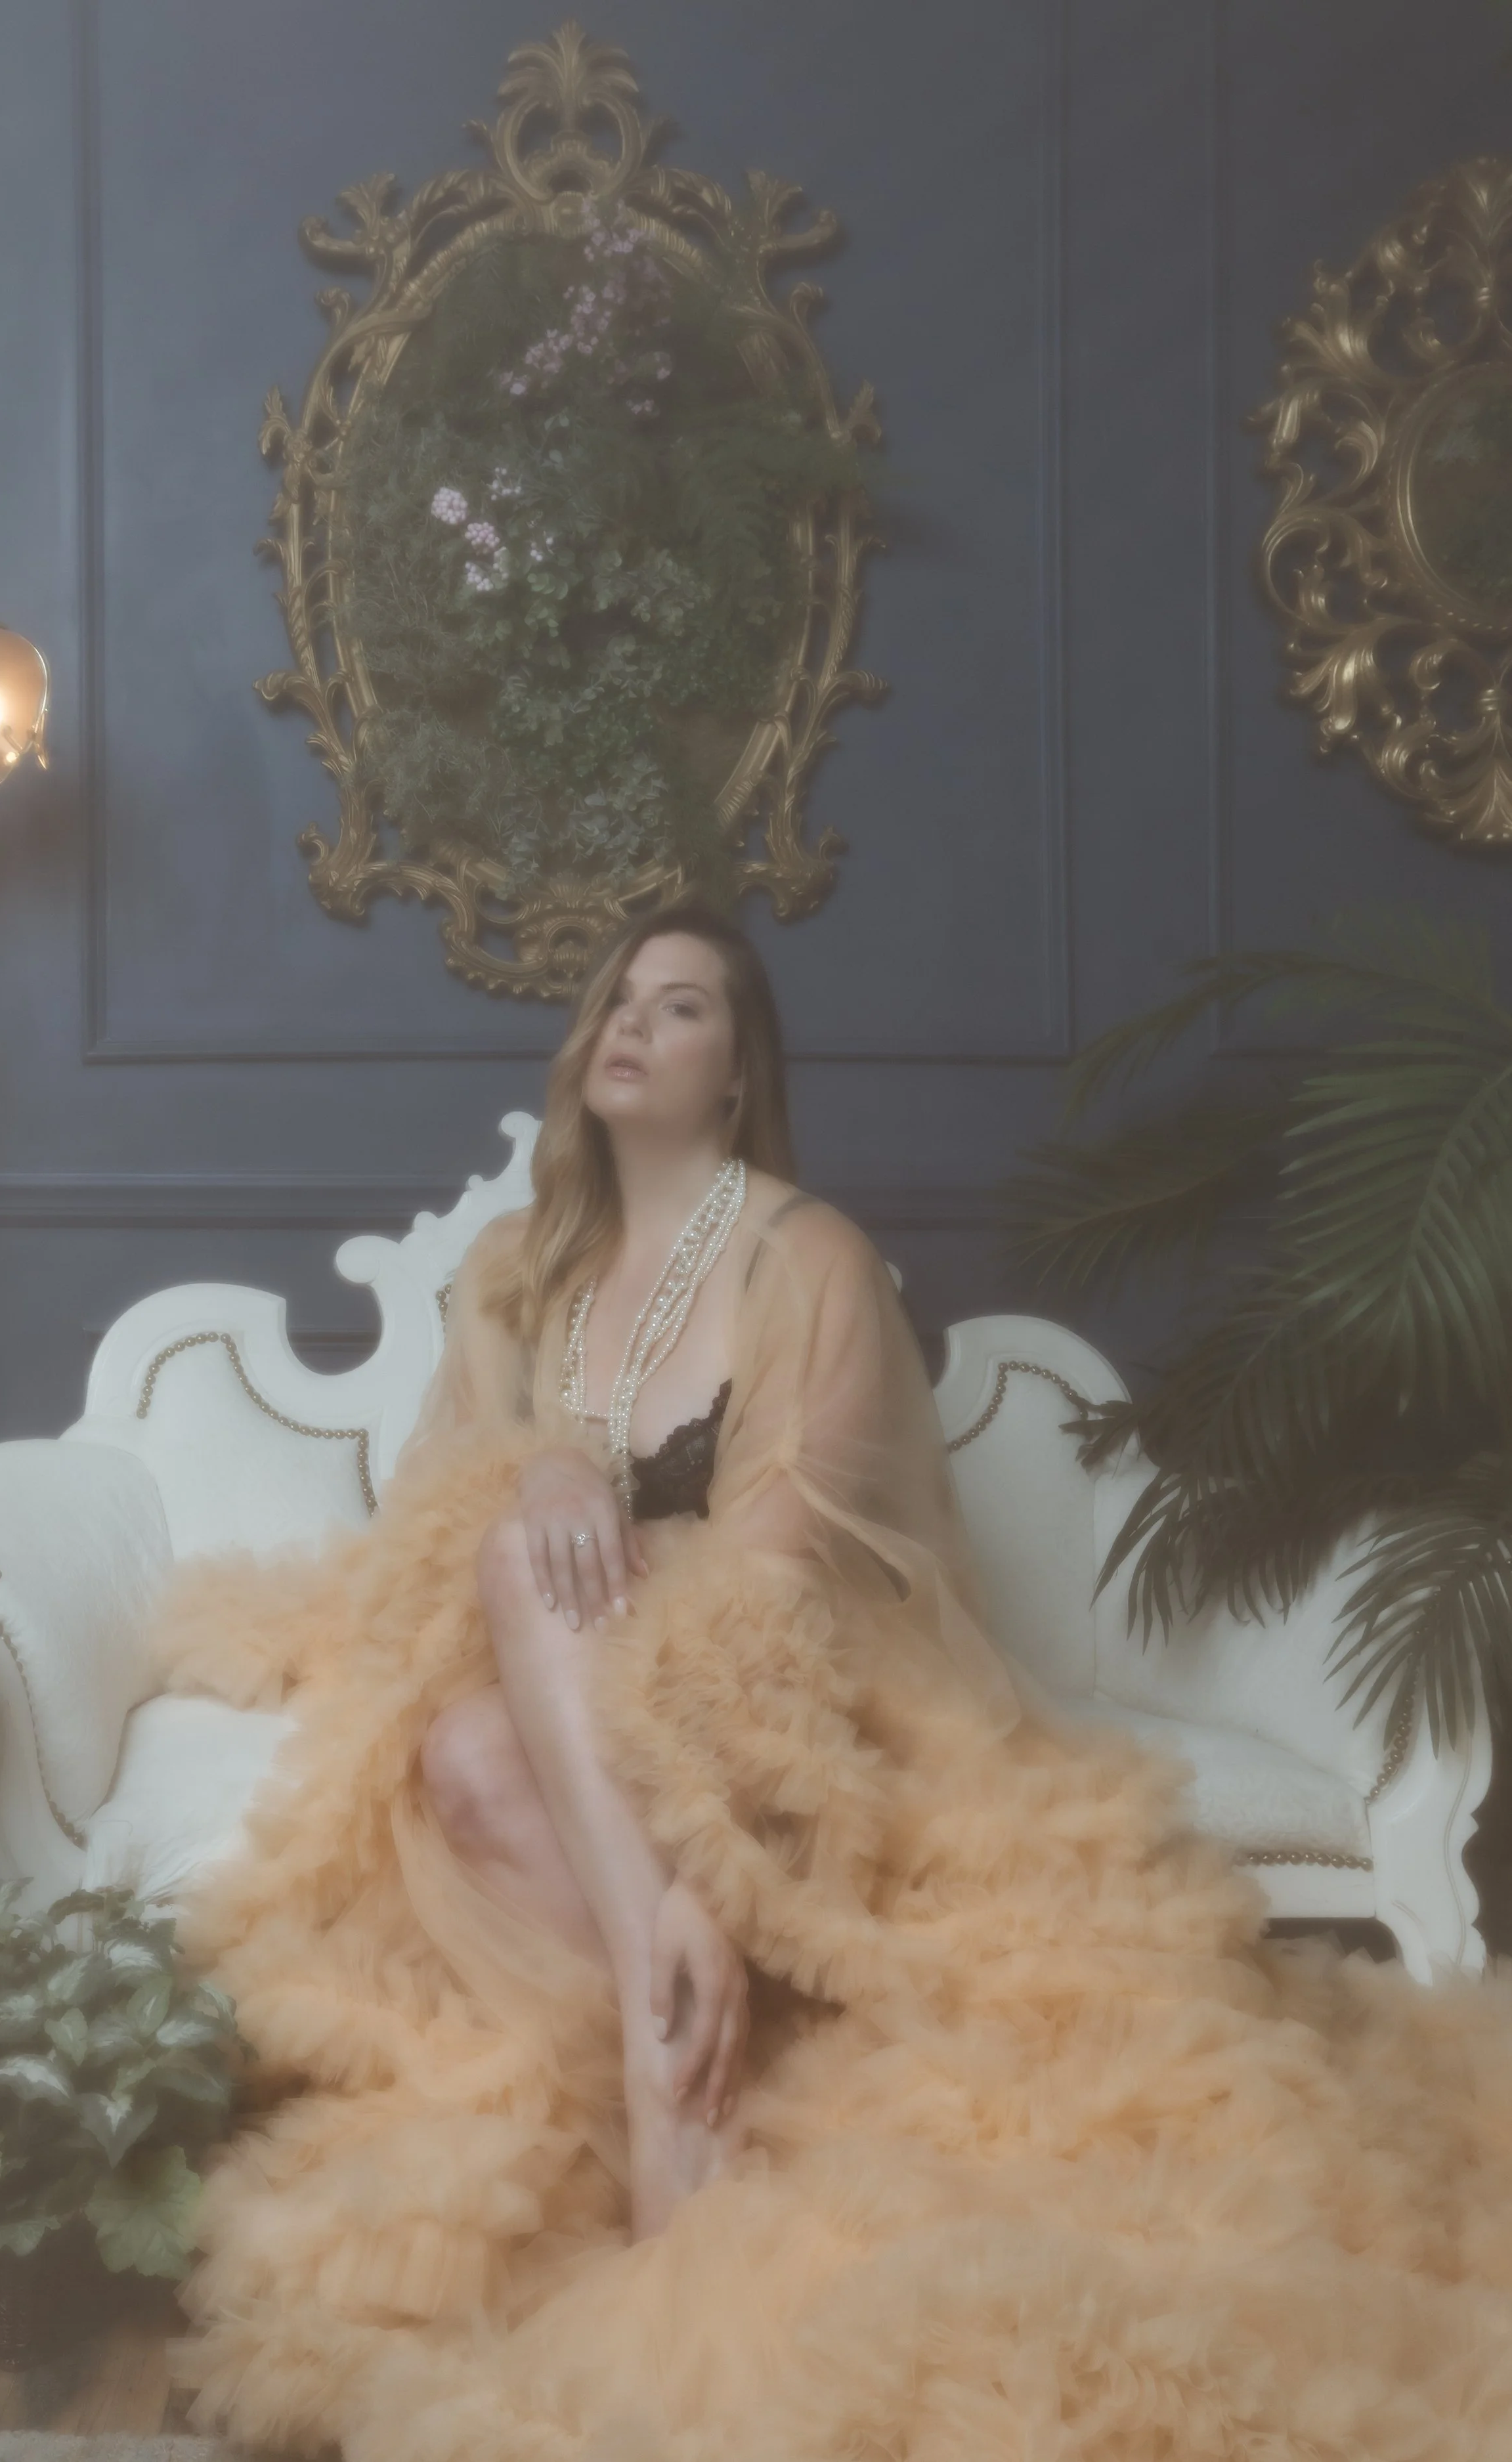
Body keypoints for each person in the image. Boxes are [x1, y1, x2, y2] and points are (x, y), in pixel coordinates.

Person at [147, 897, 1512, 2461]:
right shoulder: (515, 1268)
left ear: (738, 1072)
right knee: (463, 1736)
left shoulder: (806, 1260)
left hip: (769, 1699)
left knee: (530, 1613)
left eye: (677, 1009)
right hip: (550, 1695)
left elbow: (780, 1583)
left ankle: (668, 2100)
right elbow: (440, 1501)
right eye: (614, 1003)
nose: (629, 1028)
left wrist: (707, 1866)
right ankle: (679, 2071)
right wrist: (543, 1474)